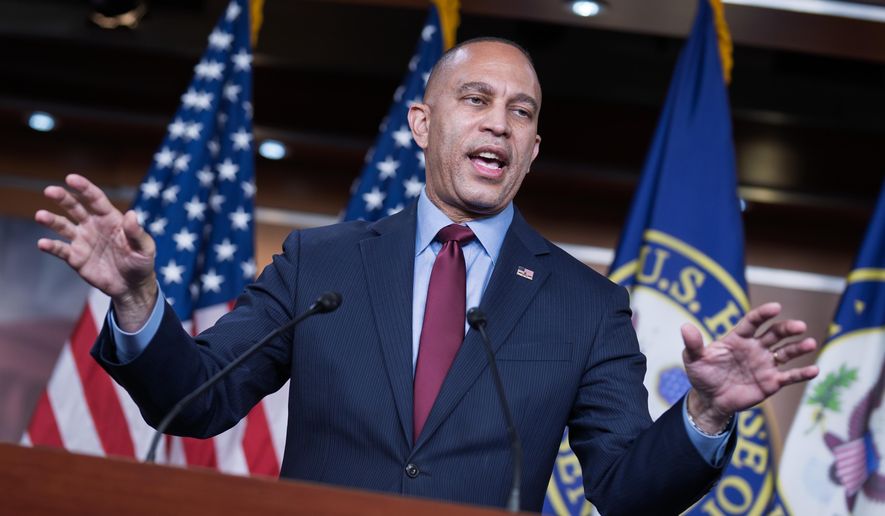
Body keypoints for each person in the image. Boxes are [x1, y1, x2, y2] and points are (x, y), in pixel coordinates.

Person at [35, 38, 819, 514]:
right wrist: (138, 299)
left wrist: (704, 414)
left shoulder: (586, 305)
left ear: (532, 149)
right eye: (475, 99)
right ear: (422, 122)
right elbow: (196, 400)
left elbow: (621, 491)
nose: (497, 123)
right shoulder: (320, 263)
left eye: (520, 112)